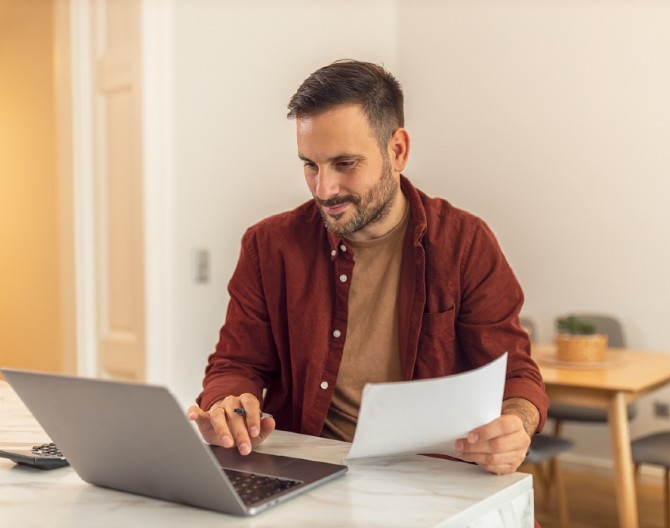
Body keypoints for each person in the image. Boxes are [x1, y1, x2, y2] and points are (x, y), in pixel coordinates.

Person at [187, 59, 549, 475]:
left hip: (430, 476)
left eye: (344, 164)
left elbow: (516, 375)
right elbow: (235, 364)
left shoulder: (465, 244)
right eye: (310, 165)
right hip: (311, 472)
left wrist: (518, 423)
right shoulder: (267, 246)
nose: (324, 189)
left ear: (397, 151)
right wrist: (227, 405)